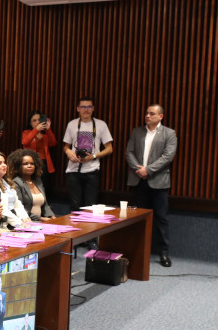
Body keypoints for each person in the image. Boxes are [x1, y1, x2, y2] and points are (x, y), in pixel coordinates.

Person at [125, 104, 177, 267]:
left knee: (161, 218)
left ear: (160, 116)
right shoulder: (137, 131)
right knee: (138, 217)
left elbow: (168, 157)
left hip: (158, 181)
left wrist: (148, 170)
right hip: (138, 180)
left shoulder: (169, 133)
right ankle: (139, 250)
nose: (148, 116)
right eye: (146, 113)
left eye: (152, 114)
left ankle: (163, 253)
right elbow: (129, 152)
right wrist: (138, 170)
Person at [62, 96, 113, 212]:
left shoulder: (101, 124)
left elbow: (109, 149)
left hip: (92, 171)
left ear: (93, 108)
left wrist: (93, 156)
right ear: (78, 109)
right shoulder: (72, 124)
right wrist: (69, 151)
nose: (86, 109)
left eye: (89, 106)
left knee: (90, 208)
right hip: (73, 170)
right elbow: (65, 146)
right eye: (83, 107)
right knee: (75, 208)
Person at [7, 148, 55, 222]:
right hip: (26, 221)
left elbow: (45, 204)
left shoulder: (38, 180)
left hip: (41, 221)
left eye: (32, 164)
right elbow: (19, 208)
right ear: (18, 166)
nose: (29, 166)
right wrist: (41, 219)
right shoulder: (16, 182)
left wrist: (52, 216)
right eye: (25, 164)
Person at [22, 109, 57, 178]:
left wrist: (48, 129)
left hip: (43, 163)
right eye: (34, 121)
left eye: (39, 120)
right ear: (30, 123)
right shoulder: (26, 132)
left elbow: (53, 143)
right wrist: (36, 130)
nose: (37, 122)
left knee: (44, 185)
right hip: (30, 162)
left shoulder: (45, 135)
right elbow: (25, 142)